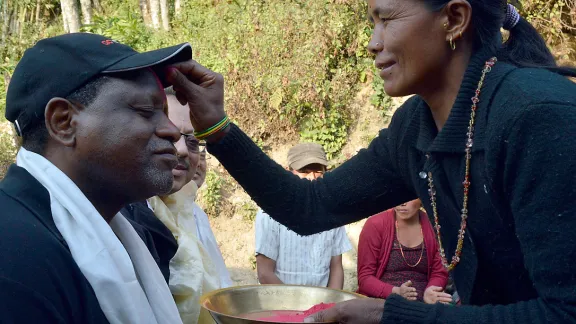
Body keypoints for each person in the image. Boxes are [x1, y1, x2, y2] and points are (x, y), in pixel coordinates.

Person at [164, 0, 576, 322]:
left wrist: (388, 314)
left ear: (453, 19)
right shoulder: (416, 125)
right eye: (371, 23)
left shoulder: (538, 117)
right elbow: (310, 207)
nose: (373, 42)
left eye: (387, 19)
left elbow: (565, 312)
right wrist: (215, 128)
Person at [0, 33, 192, 323]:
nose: (173, 132)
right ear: (63, 122)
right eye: (145, 111)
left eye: (164, 114)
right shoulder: (15, 257)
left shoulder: (130, 233)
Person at [255, 143, 352, 289]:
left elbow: (336, 267)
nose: (312, 177)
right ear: (289, 171)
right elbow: (265, 273)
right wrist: (297, 306)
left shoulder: (333, 211)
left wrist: (331, 305)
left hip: (322, 305)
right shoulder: (270, 213)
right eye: (304, 171)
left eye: (318, 171)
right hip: (280, 303)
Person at [357, 199, 450, 304]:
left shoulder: (435, 226)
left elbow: (439, 272)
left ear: (420, 198)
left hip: (422, 305)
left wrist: (431, 291)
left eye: (409, 198)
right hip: (381, 303)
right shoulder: (375, 224)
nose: (402, 203)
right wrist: (395, 292)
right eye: (398, 195)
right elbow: (365, 278)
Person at [192, 148, 234, 288]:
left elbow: (219, 275)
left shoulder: (199, 215)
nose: (198, 163)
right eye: (191, 153)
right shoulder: (157, 212)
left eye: (202, 156)